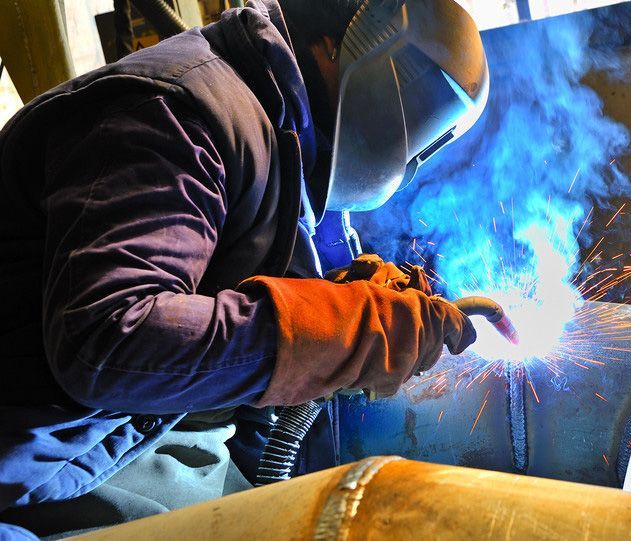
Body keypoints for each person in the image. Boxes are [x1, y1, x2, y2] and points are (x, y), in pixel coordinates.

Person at [0, 0, 489, 537]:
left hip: (108, 437)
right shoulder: (176, 110)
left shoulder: (283, 141)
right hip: (27, 455)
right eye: (414, 107)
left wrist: (343, 302)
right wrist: (338, 329)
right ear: (339, 43)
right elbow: (107, 338)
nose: (409, 146)